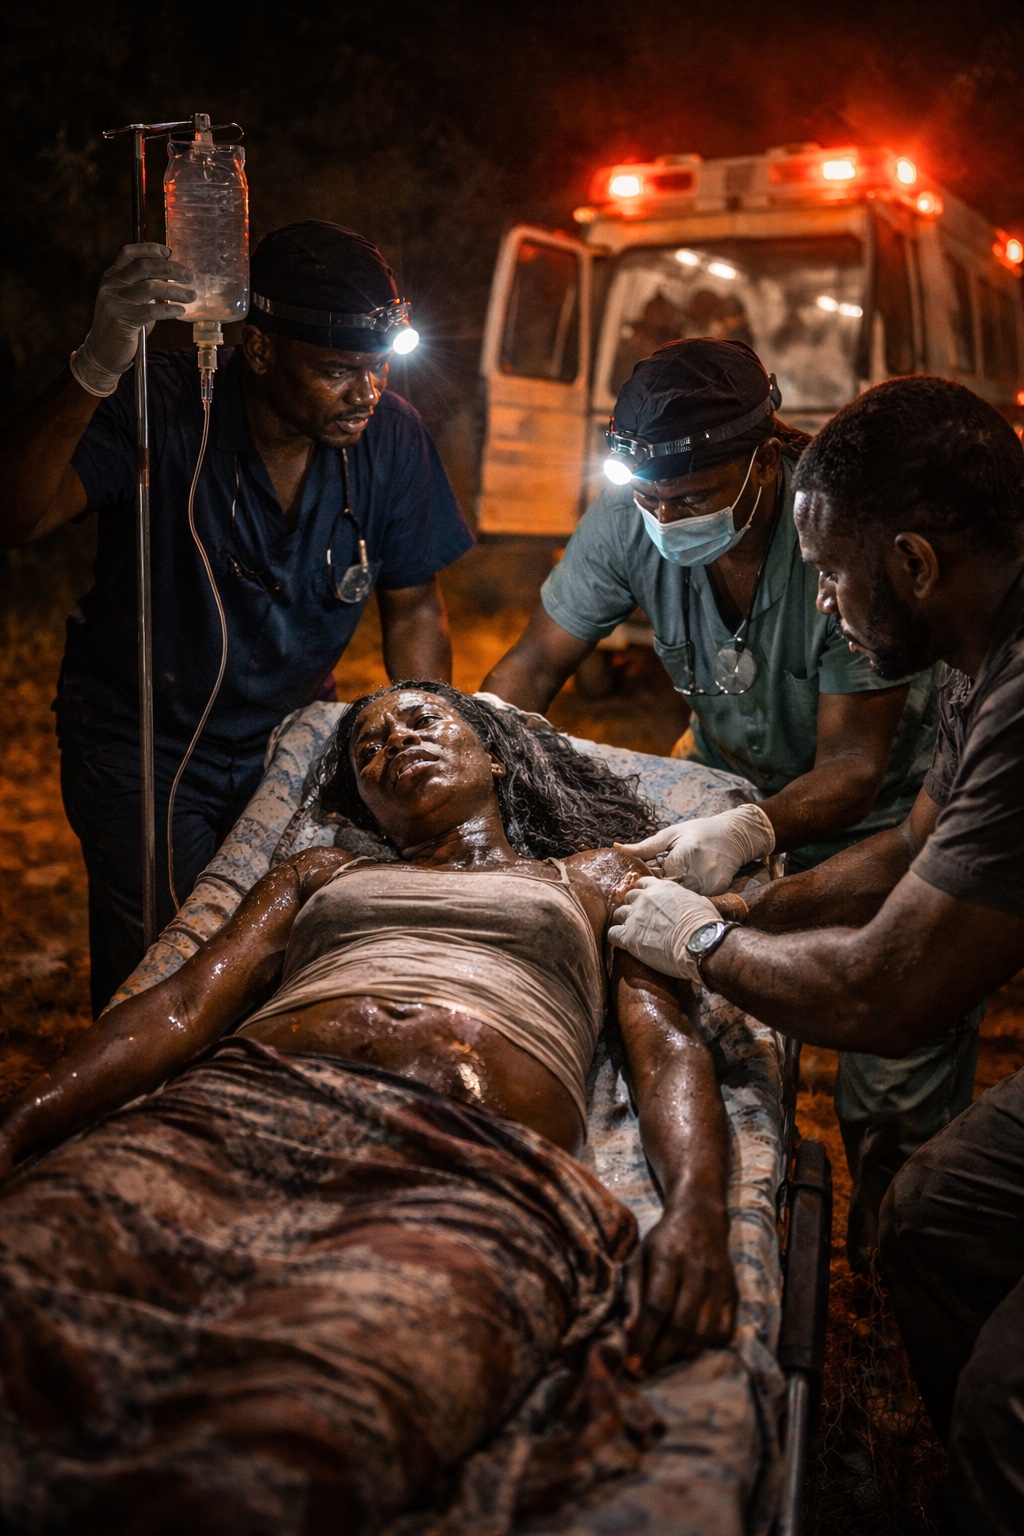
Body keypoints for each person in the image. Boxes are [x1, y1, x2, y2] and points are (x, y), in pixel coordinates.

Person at [0, 682, 736, 1536]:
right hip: (237, 1117)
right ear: (362, 800)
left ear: (495, 756)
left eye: (423, 721)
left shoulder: (595, 879)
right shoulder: (320, 873)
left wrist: (696, 1215)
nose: (397, 743)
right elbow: (182, 1005)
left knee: (302, 1434)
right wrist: (15, 1129)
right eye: (369, 748)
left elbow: (665, 1048)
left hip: (467, 1168)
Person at [607, 376, 1024, 1536]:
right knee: (932, 1219)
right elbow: (910, 846)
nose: (824, 607)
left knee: (1007, 1403)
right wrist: (748, 884)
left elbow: (884, 993)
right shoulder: (979, 655)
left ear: (914, 564)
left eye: (832, 577)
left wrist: (698, 942)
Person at [483, 337, 948, 1270]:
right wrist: (479, 739)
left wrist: (751, 829)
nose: (666, 518)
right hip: (721, 782)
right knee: (687, 999)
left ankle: (891, 1270)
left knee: (892, 1089)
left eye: (693, 497)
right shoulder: (630, 520)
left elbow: (853, 766)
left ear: (765, 458)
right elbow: (532, 667)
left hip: (886, 815)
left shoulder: (838, 534)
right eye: (650, 498)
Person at [0, 221, 473, 1015]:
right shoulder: (160, 404)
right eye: (336, 371)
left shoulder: (391, 439)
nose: (366, 392)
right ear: (257, 349)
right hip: (142, 736)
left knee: (280, 945)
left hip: (289, 740)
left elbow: (414, 605)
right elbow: (18, 515)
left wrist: (433, 732)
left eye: (378, 367)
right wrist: (97, 363)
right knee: (168, 961)